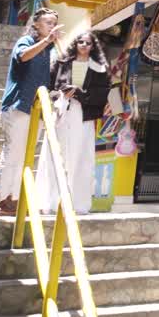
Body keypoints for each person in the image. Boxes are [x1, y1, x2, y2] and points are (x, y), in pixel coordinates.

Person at [0, 7, 63, 216]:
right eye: (47, 22)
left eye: (54, 23)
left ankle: (16, 198)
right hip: (18, 105)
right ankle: (4, 199)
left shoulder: (50, 50)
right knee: (13, 153)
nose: (51, 26)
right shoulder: (26, 41)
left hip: (37, 108)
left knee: (26, 155)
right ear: (36, 24)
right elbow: (23, 57)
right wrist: (47, 41)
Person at [36, 31, 110, 215]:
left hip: (83, 116)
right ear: (75, 44)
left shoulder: (100, 68)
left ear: (93, 47)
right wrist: (60, 95)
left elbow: (102, 95)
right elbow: (48, 88)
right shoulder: (62, 64)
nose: (84, 45)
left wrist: (79, 93)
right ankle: (48, 202)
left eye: (88, 43)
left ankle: (78, 204)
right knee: (53, 156)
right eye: (80, 41)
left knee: (81, 159)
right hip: (61, 113)